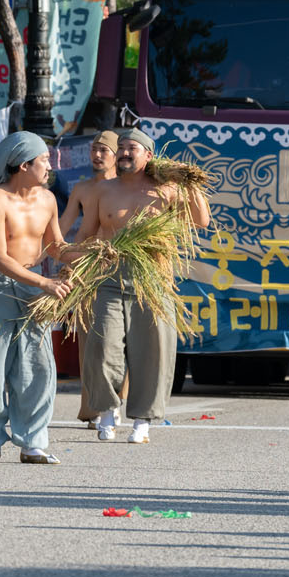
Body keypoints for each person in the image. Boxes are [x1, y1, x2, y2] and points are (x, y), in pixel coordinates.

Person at [79, 129, 210, 444]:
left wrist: (189, 182)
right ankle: (107, 412)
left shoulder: (166, 189)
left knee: (153, 350)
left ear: (149, 155)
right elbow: (85, 234)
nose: (124, 153)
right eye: (121, 148)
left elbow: (200, 220)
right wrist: (74, 263)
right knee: (101, 346)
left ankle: (142, 421)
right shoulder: (103, 190)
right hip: (108, 278)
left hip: (152, 279)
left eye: (132, 148)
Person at [0, 132, 71, 464]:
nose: (50, 167)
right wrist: (44, 282)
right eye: (44, 160)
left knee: (37, 368)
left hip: (34, 289)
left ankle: (33, 443)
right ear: (23, 165)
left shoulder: (48, 199)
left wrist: (92, 252)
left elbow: (56, 246)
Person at [59, 131, 121, 427]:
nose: (97, 155)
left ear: (117, 155)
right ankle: (92, 407)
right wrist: (61, 254)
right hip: (87, 269)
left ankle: (116, 402)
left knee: (119, 342)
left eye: (104, 150)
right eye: (94, 149)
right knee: (89, 341)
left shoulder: (126, 188)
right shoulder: (82, 189)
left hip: (119, 267)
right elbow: (62, 228)